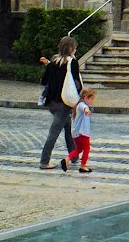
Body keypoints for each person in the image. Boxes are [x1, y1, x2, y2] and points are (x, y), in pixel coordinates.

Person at [38, 36, 81, 169]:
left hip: (51, 102)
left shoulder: (53, 62)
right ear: (71, 48)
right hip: (64, 101)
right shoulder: (72, 62)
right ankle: (44, 161)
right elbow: (77, 83)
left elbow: (44, 81)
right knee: (54, 132)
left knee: (67, 127)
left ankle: (73, 156)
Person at [61, 87, 95, 174]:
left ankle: (67, 159)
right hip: (82, 132)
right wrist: (86, 110)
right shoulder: (82, 105)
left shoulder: (78, 105)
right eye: (91, 98)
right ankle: (83, 166)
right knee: (87, 148)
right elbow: (84, 108)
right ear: (85, 97)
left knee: (79, 149)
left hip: (76, 133)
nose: (92, 101)